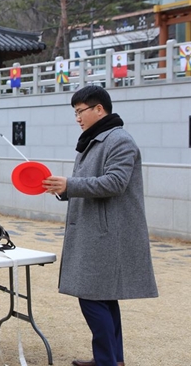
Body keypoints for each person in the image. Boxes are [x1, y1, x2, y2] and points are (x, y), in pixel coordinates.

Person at [42, 85, 158, 366]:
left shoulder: (119, 140)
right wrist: (65, 189)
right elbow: (90, 185)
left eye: (80, 111)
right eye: (75, 113)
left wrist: (70, 185)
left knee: (92, 298)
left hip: (108, 234)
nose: (77, 118)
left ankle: (107, 360)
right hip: (96, 232)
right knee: (104, 298)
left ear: (99, 109)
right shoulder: (94, 139)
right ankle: (112, 359)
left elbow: (115, 183)